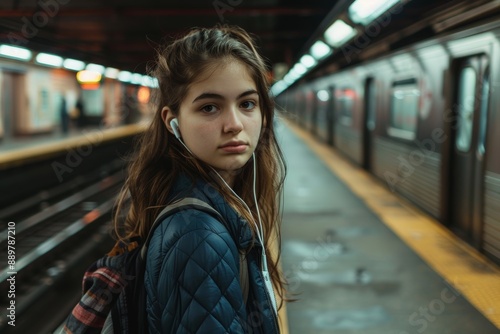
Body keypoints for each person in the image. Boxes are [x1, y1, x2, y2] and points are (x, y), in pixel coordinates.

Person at [112, 25, 287, 333]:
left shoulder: (200, 202)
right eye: (209, 107)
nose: (234, 124)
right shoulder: (199, 235)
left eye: (247, 104)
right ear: (173, 121)